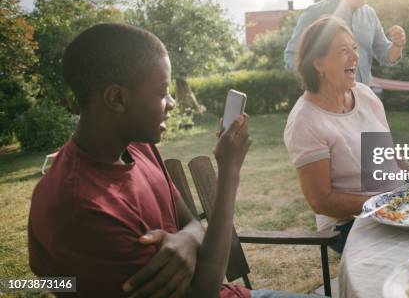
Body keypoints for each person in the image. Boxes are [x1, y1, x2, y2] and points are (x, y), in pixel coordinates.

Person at [28, 23, 316, 298]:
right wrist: (229, 171)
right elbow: (202, 293)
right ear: (117, 99)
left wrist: (187, 239)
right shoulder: (83, 207)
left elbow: (190, 222)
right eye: (162, 91)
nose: (173, 102)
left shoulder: (137, 146)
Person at [284, 16, 402, 253]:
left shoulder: (365, 95)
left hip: (393, 203)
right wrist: (384, 204)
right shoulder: (305, 122)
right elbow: (321, 201)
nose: (355, 57)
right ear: (318, 63)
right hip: (348, 224)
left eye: (355, 49)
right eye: (343, 51)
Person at [284, 0, 406, 86]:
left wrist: (397, 45)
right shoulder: (314, 14)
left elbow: (386, 55)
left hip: (363, 101)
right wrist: (321, 86)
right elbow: (292, 58)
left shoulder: (370, 15)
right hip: (327, 103)